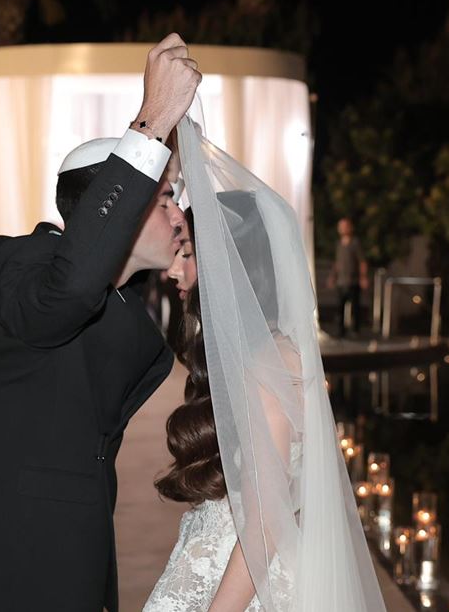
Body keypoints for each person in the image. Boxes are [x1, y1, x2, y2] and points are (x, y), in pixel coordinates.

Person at [0, 34, 200, 612]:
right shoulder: (23, 262)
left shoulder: (131, 314)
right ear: (106, 208)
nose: (177, 215)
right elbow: (67, 294)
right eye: (164, 198)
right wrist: (151, 124)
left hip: (70, 570)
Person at [147, 120, 385, 610]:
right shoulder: (258, 354)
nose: (173, 270)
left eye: (186, 253)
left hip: (246, 581)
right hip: (219, 559)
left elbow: (266, 521)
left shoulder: (268, 363)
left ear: (232, 265)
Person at [326, 218, 369, 337]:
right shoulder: (339, 244)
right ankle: (341, 330)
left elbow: (362, 261)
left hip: (353, 281)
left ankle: (355, 329)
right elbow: (337, 262)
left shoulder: (355, 243)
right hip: (341, 281)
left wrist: (363, 277)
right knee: (340, 306)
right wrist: (332, 276)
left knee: (355, 306)